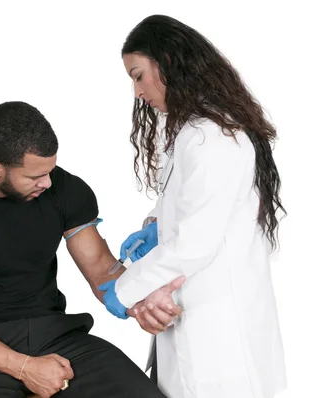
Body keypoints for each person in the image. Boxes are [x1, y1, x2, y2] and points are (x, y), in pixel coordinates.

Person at [0, 101, 180, 397]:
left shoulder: (66, 189)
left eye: (50, 170)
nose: (47, 183)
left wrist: (139, 300)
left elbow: (100, 267)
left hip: (56, 337)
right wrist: (25, 368)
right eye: (35, 177)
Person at [97, 15, 288, 398]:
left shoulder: (211, 136)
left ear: (166, 61)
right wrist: (155, 225)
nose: (137, 91)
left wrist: (123, 290)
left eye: (138, 75)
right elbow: (185, 202)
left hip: (220, 338)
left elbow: (194, 242)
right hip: (193, 317)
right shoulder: (192, 130)